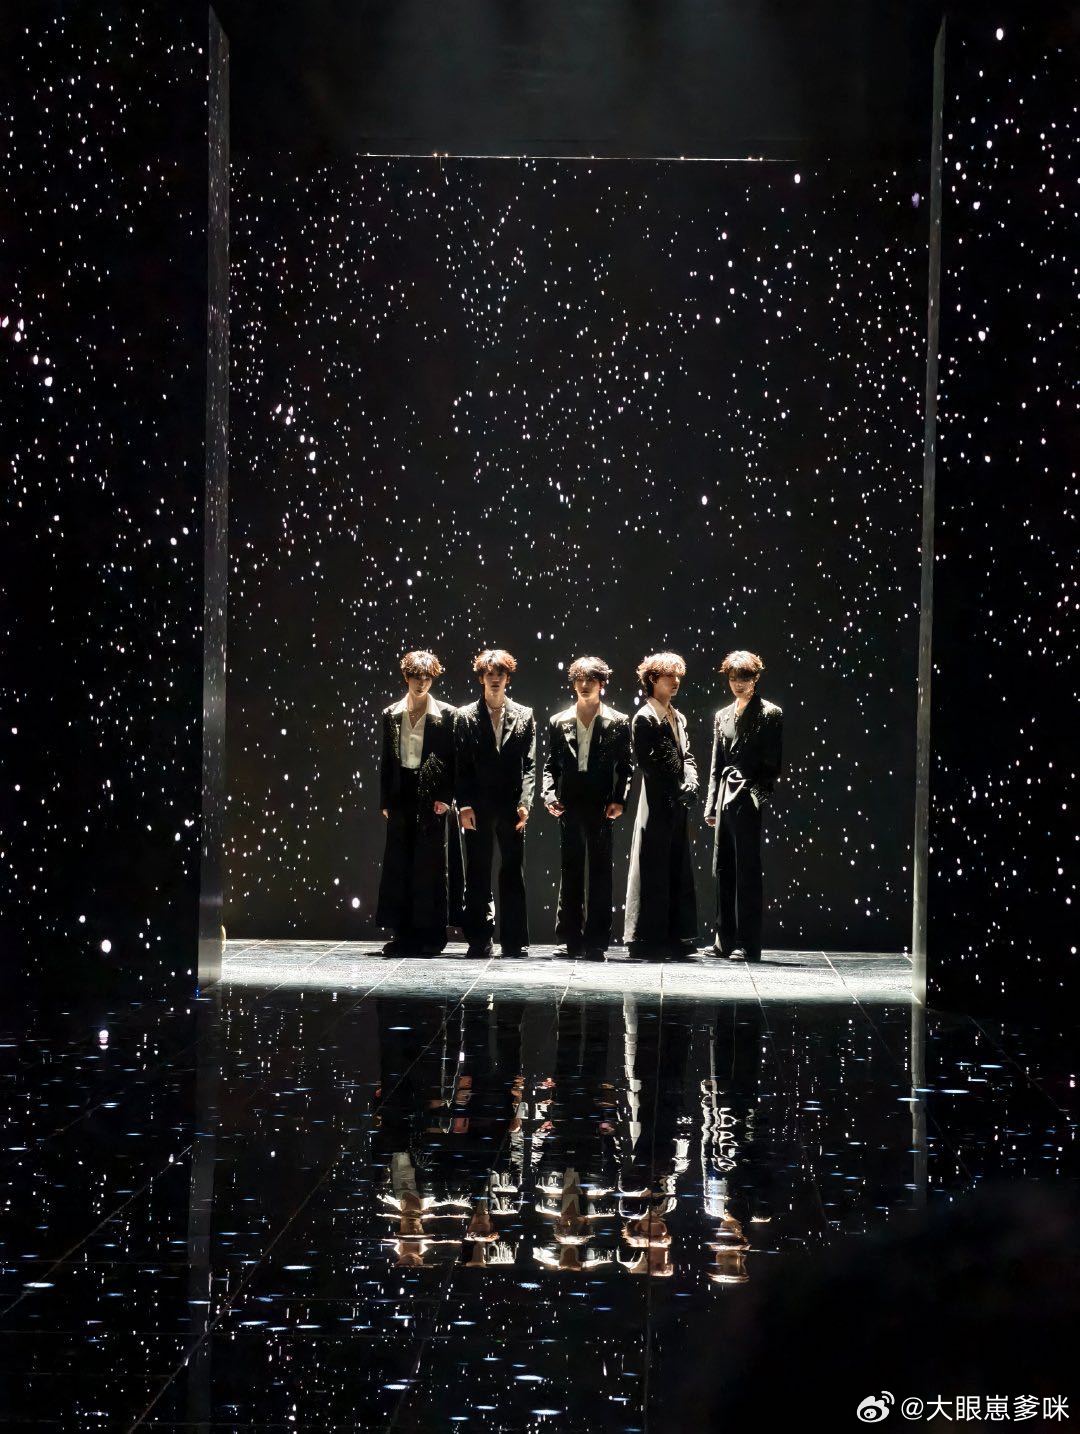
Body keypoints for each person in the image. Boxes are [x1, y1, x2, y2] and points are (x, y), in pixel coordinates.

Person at [542, 656, 633, 958]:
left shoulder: (618, 721)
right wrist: (549, 795)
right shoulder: (559, 721)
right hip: (569, 804)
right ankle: (570, 939)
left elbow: (626, 767)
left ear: (602, 684)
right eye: (579, 680)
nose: (584, 685)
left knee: (600, 873)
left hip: (600, 805)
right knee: (570, 872)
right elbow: (550, 766)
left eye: (590, 680)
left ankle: (596, 941)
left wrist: (619, 800)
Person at [376, 649, 461, 955]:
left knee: (430, 865)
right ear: (406, 677)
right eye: (416, 676)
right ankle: (403, 934)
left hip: (431, 794)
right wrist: (386, 800)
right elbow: (387, 760)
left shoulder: (447, 715)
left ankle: (433, 935)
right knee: (400, 862)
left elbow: (453, 761)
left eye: (427, 677)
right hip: (402, 793)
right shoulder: (391, 714)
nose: (421, 682)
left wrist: (446, 798)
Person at [454, 649, 536, 958]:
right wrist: (463, 805)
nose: (495, 679)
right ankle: (479, 938)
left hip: (511, 806)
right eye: (490, 674)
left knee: (512, 871)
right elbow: (460, 765)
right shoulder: (465, 716)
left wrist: (525, 802)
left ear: (507, 678)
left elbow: (530, 764)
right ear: (481, 678)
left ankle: (514, 940)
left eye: (500, 674)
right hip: (477, 806)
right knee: (478, 870)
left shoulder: (524, 714)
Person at [704, 650, 783, 962]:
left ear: (756, 678)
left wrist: (755, 795)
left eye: (745, 678)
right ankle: (723, 940)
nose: (738, 683)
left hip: (747, 796)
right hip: (725, 795)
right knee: (723, 867)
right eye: (734, 678)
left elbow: (772, 764)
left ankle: (747, 944)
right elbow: (716, 764)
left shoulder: (769, 713)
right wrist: (711, 805)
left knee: (746, 871)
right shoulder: (722, 715)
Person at [623, 652, 700, 955]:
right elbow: (650, 763)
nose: (676, 681)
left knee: (675, 864)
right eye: (670, 676)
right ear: (653, 679)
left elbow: (686, 756)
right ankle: (648, 938)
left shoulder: (676, 716)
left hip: (676, 802)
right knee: (653, 865)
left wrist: (691, 781)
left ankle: (675, 936)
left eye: (678, 676)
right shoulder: (645, 717)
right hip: (657, 801)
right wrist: (680, 786)